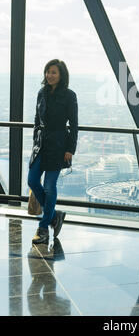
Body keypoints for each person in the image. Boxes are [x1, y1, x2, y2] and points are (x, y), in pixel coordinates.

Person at [28, 59, 78, 244]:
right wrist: (35, 141)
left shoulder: (69, 95)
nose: (49, 75)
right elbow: (36, 119)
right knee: (32, 180)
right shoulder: (42, 93)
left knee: (49, 186)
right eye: (47, 71)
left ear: (61, 75)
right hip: (41, 145)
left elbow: (74, 125)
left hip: (58, 145)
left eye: (53, 72)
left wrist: (70, 149)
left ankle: (43, 228)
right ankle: (54, 215)